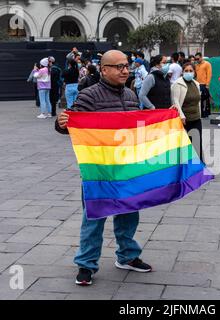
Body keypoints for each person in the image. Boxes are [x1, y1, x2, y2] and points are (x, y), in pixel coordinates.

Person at [55, 50, 152, 286]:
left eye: (126, 66)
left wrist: (167, 121)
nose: (125, 70)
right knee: (94, 217)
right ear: (104, 69)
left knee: (129, 213)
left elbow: (137, 128)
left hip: (126, 168)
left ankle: (127, 256)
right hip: (98, 170)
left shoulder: (131, 95)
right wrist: (61, 123)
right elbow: (71, 123)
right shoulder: (89, 95)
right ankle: (86, 265)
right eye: (118, 67)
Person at [171, 62, 203, 160]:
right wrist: (181, 116)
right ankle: (186, 170)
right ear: (182, 72)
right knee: (185, 146)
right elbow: (175, 101)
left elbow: (198, 101)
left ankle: (200, 168)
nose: (188, 73)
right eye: (186, 71)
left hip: (196, 118)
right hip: (184, 120)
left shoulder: (196, 84)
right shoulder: (177, 84)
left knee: (197, 144)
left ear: (194, 72)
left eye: (190, 71)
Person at [195, 52, 212, 118]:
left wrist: (207, 84)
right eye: (195, 59)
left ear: (201, 57)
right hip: (197, 84)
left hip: (204, 84)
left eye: (198, 58)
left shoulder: (207, 64)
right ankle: (201, 113)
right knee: (199, 100)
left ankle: (205, 113)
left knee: (205, 99)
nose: (197, 60)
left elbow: (209, 74)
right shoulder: (196, 65)